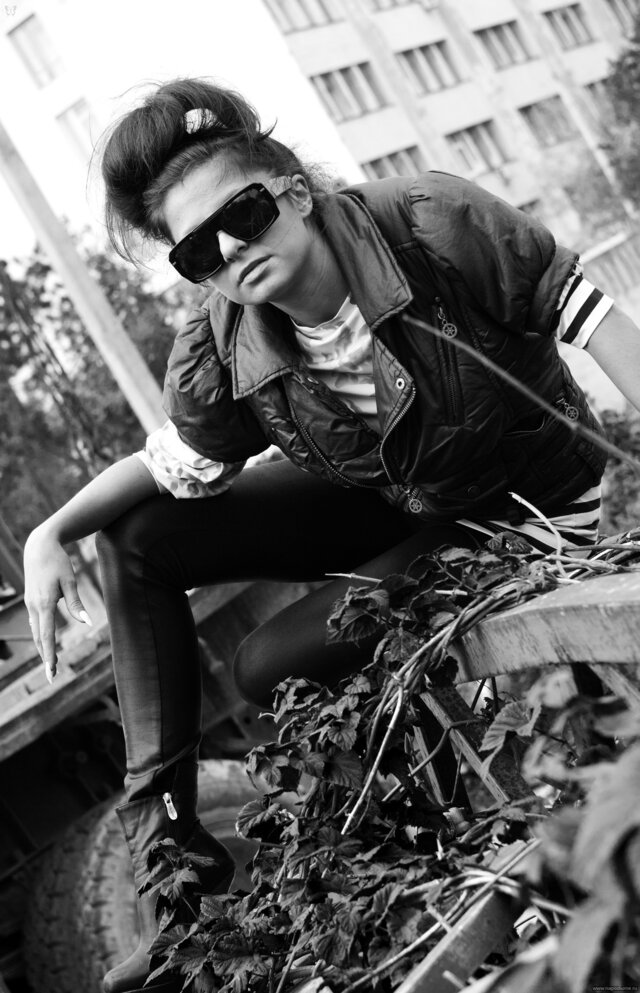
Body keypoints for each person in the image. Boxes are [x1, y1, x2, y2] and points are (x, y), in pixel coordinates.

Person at [23, 78, 640, 993]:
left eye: (242, 214)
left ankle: (436, 835)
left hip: (526, 499)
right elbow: (172, 466)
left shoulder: (430, 225)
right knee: (134, 539)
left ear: (293, 189)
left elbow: (597, 322)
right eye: (197, 250)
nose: (231, 250)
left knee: (265, 661)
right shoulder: (225, 343)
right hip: (401, 495)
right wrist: (52, 530)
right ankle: (176, 878)